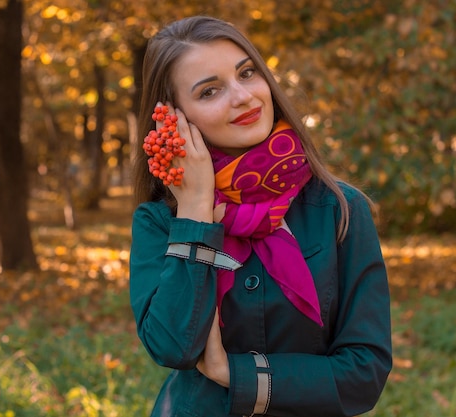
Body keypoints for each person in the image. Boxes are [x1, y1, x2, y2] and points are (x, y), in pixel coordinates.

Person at [129, 15, 392, 417]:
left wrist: (236, 374)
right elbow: (173, 346)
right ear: (174, 119)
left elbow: (364, 374)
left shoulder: (339, 209)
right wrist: (197, 212)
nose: (243, 96)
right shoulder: (159, 221)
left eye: (247, 73)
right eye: (210, 91)